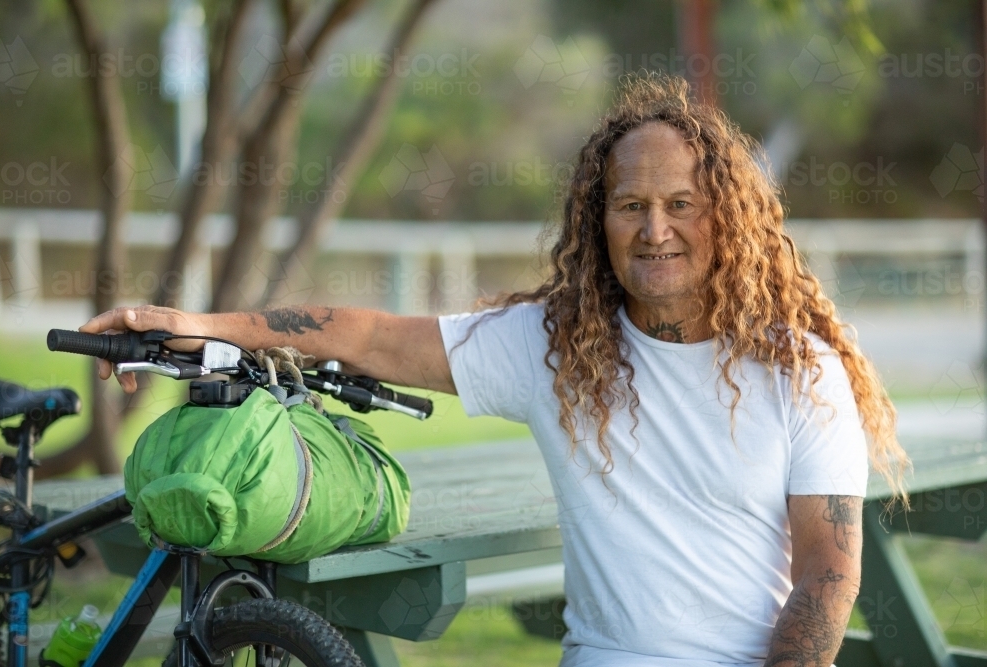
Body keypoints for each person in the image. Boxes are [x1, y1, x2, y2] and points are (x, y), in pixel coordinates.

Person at [81, 73, 907, 667]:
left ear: (725, 216)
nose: (656, 229)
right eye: (631, 205)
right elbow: (363, 333)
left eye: (681, 203)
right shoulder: (556, 350)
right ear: (601, 221)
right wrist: (198, 325)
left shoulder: (801, 370)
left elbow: (829, 573)